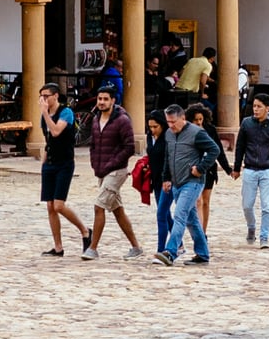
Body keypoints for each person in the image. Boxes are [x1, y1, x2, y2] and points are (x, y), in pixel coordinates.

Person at [155, 104, 223, 267]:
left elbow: (214, 150)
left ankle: (171, 252)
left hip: (192, 182)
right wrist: (166, 178)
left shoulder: (197, 133)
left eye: (173, 122)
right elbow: (168, 157)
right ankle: (202, 254)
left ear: (183, 118)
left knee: (180, 215)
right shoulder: (169, 134)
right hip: (176, 183)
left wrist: (200, 168)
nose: (171, 125)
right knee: (192, 220)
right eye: (168, 122)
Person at [84, 85, 143, 261]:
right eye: (99, 99)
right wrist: (95, 163)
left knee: (99, 206)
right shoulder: (96, 119)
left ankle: (93, 248)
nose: (101, 102)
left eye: (105, 99)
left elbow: (129, 147)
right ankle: (136, 247)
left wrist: (111, 164)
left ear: (113, 101)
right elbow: (93, 144)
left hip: (117, 171)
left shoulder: (122, 120)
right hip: (102, 170)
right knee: (118, 210)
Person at [37, 83, 88, 257]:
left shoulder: (66, 112)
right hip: (50, 163)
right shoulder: (44, 116)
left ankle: (85, 230)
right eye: (41, 96)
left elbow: (56, 131)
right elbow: (48, 139)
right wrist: (44, 161)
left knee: (59, 205)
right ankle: (58, 247)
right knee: (50, 206)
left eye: (46, 96)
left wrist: (45, 113)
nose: (43, 99)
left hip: (64, 163)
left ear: (55, 96)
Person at [232, 92, 269, 248]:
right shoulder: (247, 123)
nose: (255, 109)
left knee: (267, 206)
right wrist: (236, 167)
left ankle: (264, 236)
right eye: (254, 106)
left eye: (259, 106)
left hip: (266, 170)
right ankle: (251, 227)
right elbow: (240, 146)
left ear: (267, 108)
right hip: (249, 169)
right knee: (247, 205)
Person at [143, 112, 174, 250]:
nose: (152, 130)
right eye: (150, 127)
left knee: (161, 214)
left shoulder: (169, 137)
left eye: (155, 127)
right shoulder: (149, 136)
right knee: (166, 214)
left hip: (168, 180)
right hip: (155, 180)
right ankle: (179, 244)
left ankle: (161, 249)